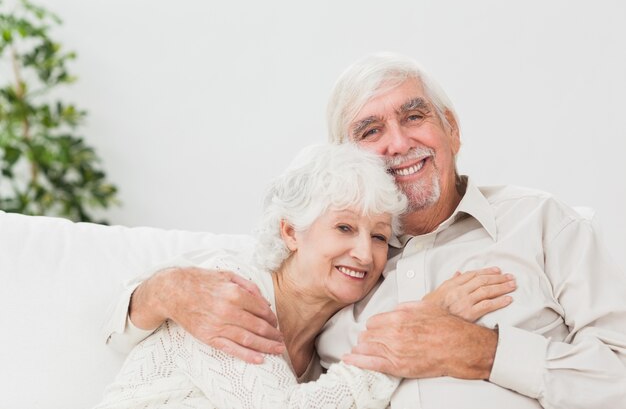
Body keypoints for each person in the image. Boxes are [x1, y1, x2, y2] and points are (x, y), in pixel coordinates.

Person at [104, 53, 626, 408]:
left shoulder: (543, 223)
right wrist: (160, 290)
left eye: (414, 116)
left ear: (453, 130)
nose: (397, 143)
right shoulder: (332, 266)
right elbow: (217, 295)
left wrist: (481, 351)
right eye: (370, 131)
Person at [95, 143, 514, 408]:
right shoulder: (229, 291)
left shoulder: (322, 351)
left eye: (380, 236)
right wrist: (415, 328)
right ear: (291, 231)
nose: (365, 253)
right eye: (345, 228)